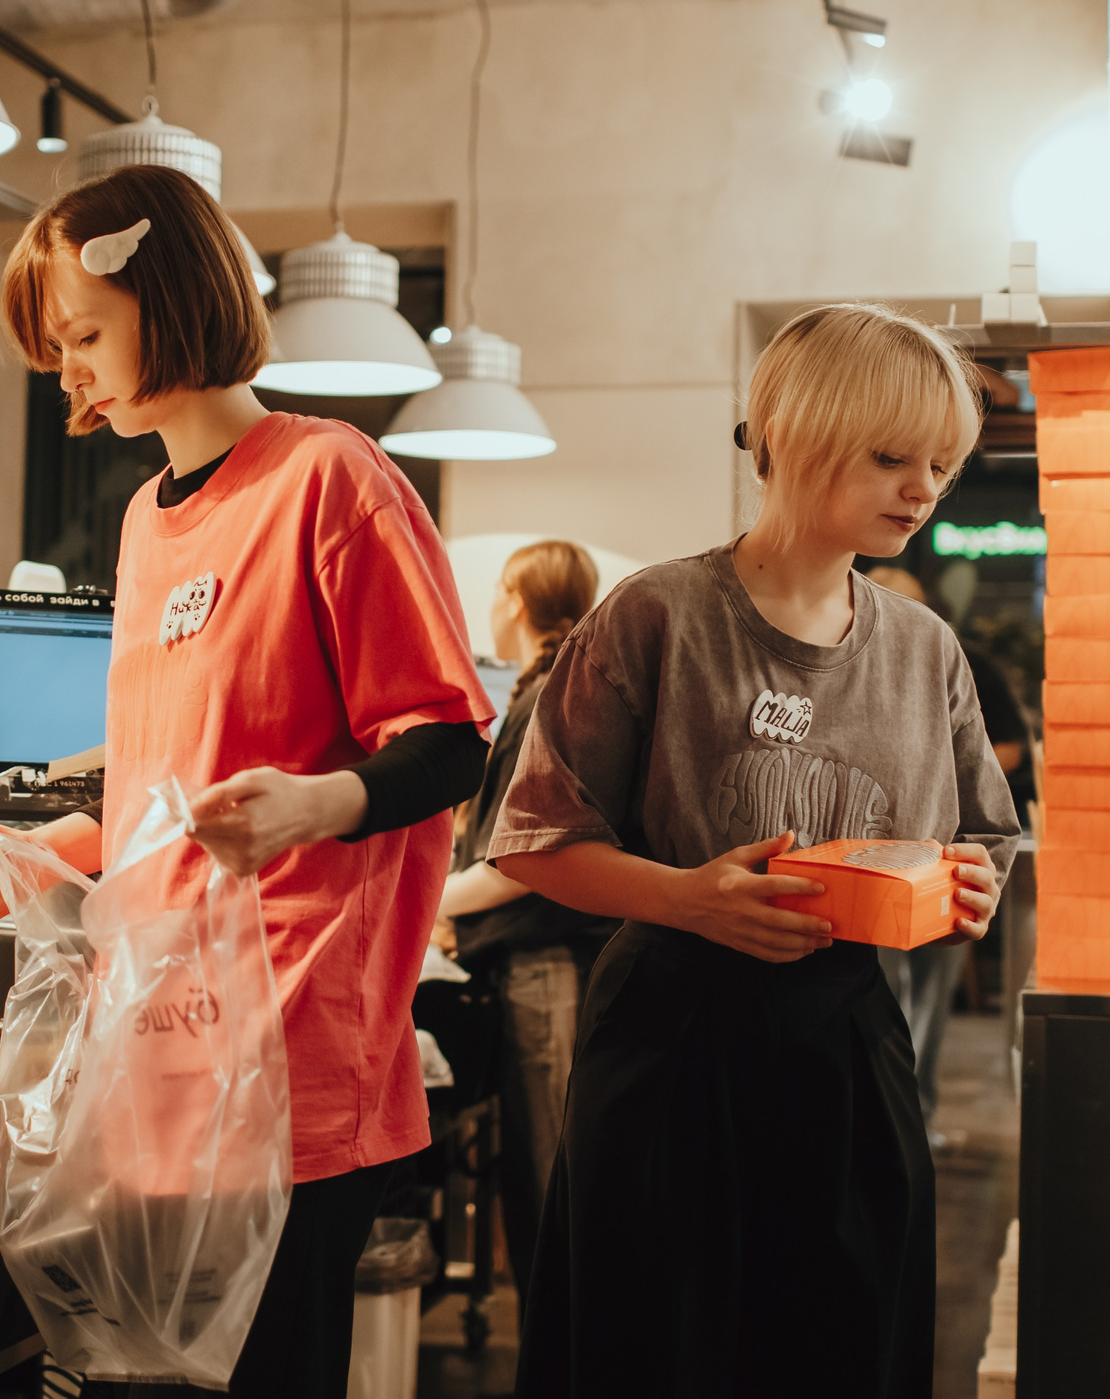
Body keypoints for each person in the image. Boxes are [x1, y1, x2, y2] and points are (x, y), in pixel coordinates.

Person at [0, 165, 494, 1398]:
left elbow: (447, 741)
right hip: (163, 1042)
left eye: (84, 336)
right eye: (57, 347)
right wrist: (32, 859)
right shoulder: (143, 520)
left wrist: (316, 802)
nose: (67, 372)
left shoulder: (327, 476)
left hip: (296, 1047)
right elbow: (163, 793)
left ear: (167, 299)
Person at [490, 302, 1014, 1398]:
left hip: (849, 1044)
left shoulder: (924, 650)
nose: (922, 489)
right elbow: (536, 840)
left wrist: (967, 888)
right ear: (792, 433)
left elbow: (981, 841)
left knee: (844, 1343)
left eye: (941, 465)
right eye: (891, 458)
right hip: (671, 1042)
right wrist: (686, 897)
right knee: (654, 1348)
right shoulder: (658, 615)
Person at [436, 539, 615, 1293]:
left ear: (515, 600)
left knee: (550, 1187)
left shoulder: (548, 695)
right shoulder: (554, 688)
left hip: (546, 967)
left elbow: (523, 861)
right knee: (550, 1183)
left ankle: (566, 1344)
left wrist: (425, 902)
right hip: (542, 963)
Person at [860, 562, 1031, 1130]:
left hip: (944, 861)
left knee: (931, 999)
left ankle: (919, 1114)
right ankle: (888, 1118)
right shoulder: (850, 668)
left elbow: (1009, 750)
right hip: (873, 867)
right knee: (881, 995)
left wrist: (939, 773)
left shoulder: (953, 656)